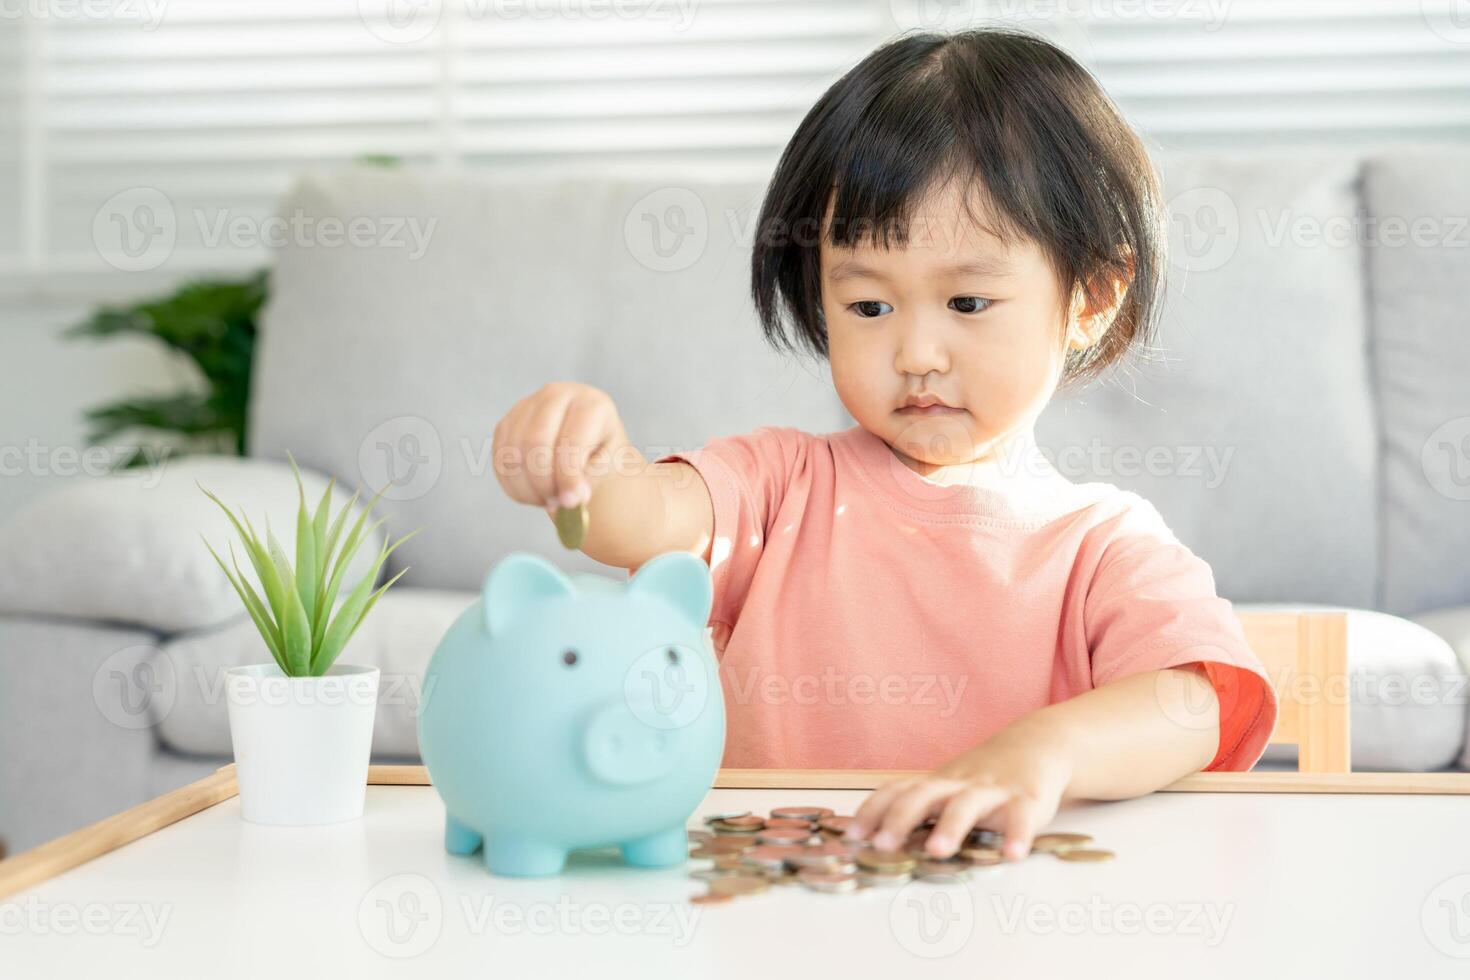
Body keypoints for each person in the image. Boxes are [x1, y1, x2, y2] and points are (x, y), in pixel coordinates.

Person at [490, 28, 1278, 863]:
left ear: (1091, 295)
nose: (916, 354)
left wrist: (1039, 755)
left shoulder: (1102, 543)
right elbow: (639, 518)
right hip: (778, 911)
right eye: (869, 307)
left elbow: (1202, 705)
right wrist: (587, 456)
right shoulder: (779, 483)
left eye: (968, 303)